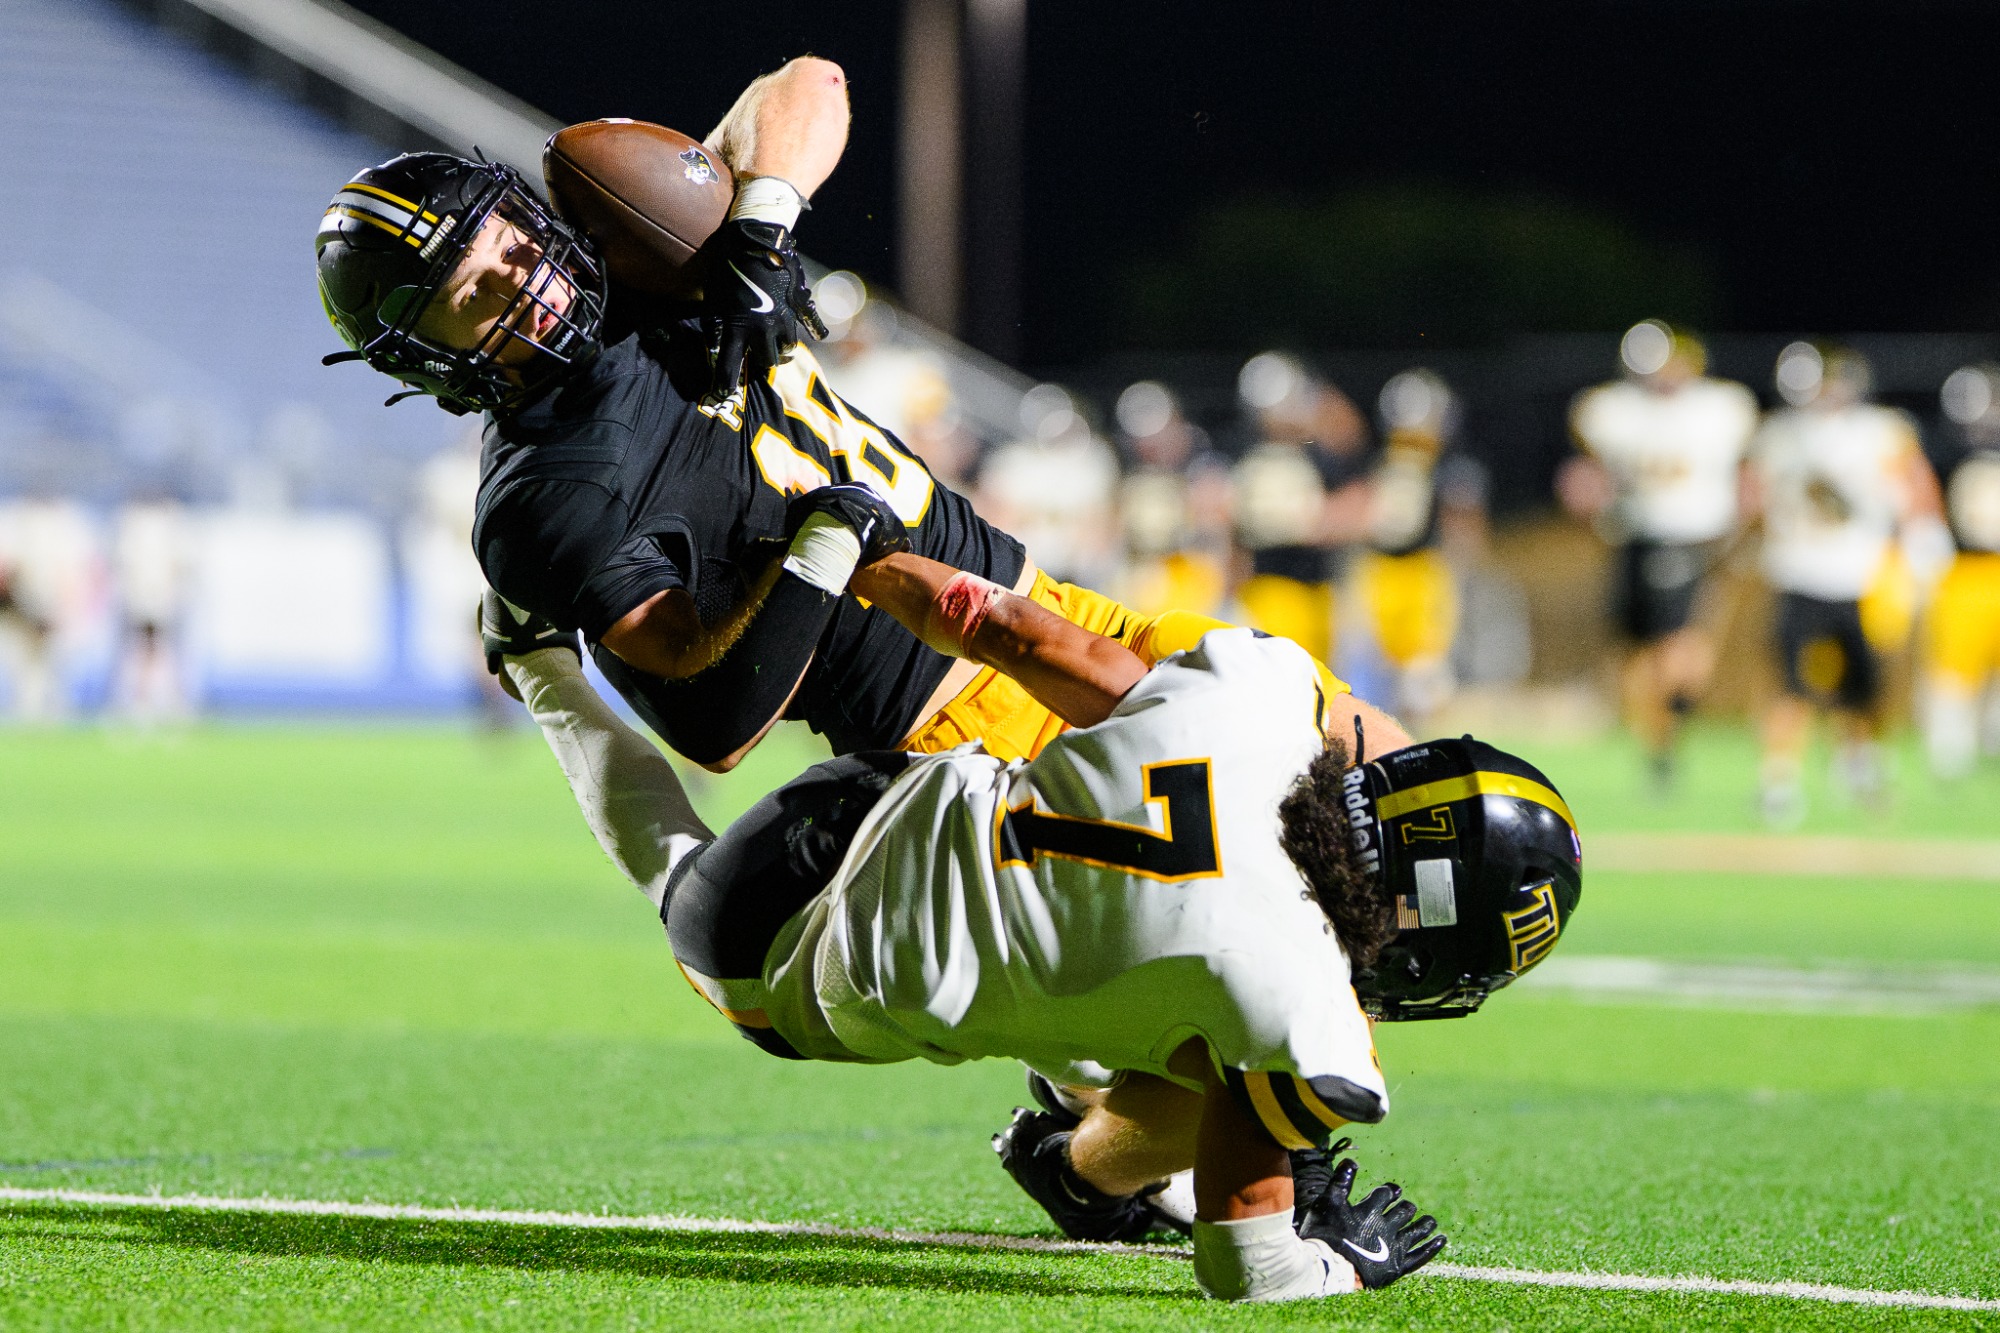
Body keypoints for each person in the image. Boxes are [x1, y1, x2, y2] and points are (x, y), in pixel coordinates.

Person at [477, 520, 1583, 1303]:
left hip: (879, 793)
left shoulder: (1261, 692)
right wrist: (1344, 1263)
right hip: (789, 966)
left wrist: (855, 557)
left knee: (1145, 959)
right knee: (675, 872)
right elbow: (1246, 1266)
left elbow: (1004, 630)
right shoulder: (1306, 1012)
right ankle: (535, 668)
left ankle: (538, 652)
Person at [315, 58, 1332, 772]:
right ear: (428, 350)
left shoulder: (653, 262)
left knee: (1371, 758)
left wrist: (760, 225)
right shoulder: (545, 490)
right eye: (465, 288)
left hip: (1059, 608)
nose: (511, 278)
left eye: (496, 242)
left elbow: (810, 83)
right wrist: (815, 555)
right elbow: (711, 723)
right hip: (953, 730)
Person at [1746, 342, 1948, 824]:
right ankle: (1779, 781)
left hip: (1862, 575)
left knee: (1867, 686)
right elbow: (1753, 494)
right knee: (1789, 685)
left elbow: (1916, 484)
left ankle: (1859, 765)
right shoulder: (1779, 434)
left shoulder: (1881, 431)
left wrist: (1924, 534)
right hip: (1797, 571)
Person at [1564, 320, 1760, 790]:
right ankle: (1656, 744)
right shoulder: (1615, 409)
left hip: (1693, 537)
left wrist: (1747, 523)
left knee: (1683, 646)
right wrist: (1588, 493)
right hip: (1634, 537)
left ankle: (1669, 730)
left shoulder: (1720, 408)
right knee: (1634, 648)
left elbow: (1749, 474)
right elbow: (1586, 471)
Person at [1230, 353, 1373, 667]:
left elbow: (1358, 502)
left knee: (1319, 685)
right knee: (1282, 677)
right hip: (1271, 586)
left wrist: (1324, 523)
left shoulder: (1315, 452)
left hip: (1317, 588)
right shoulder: (1245, 453)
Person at [1920, 364, 2000, 779]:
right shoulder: (1945, 449)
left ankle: (1989, 744)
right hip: (1963, 569)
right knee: (1954, 669)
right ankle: (1949, 753)